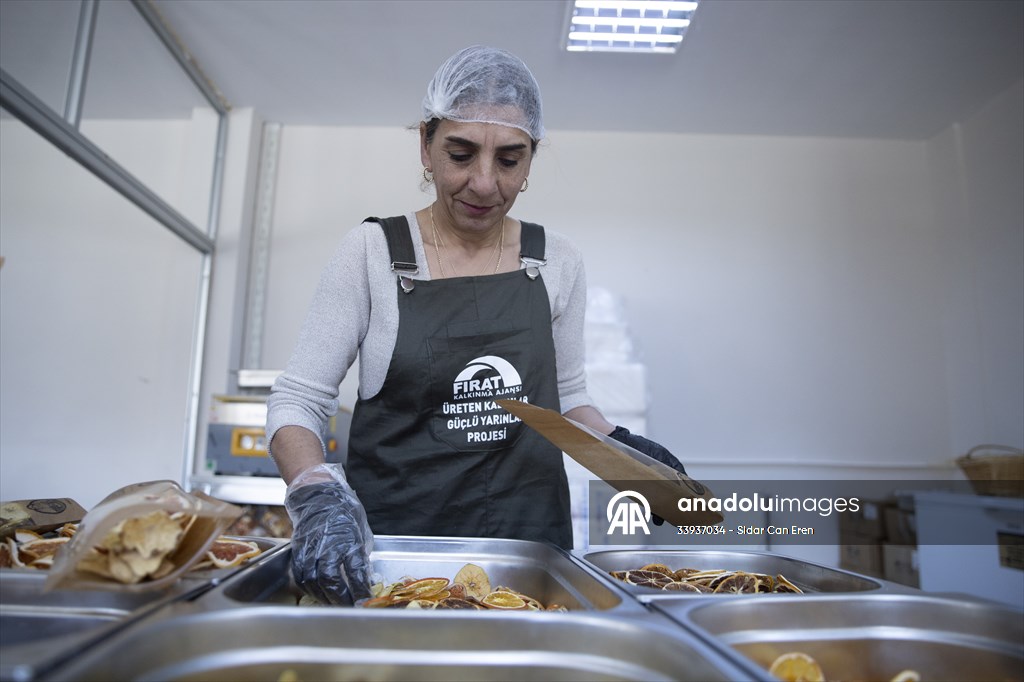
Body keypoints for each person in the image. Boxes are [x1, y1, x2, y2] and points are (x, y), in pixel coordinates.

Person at [266, 45, 687, 605]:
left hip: (527, 554)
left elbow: (566, 397)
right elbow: (298, 399)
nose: (484, 184)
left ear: (531, 160)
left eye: (509, 160)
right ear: (425, 146)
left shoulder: (556, 261)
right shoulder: (372, 253)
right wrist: (315, 492)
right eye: (461, 154)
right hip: (398, 558)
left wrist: (626, 455)